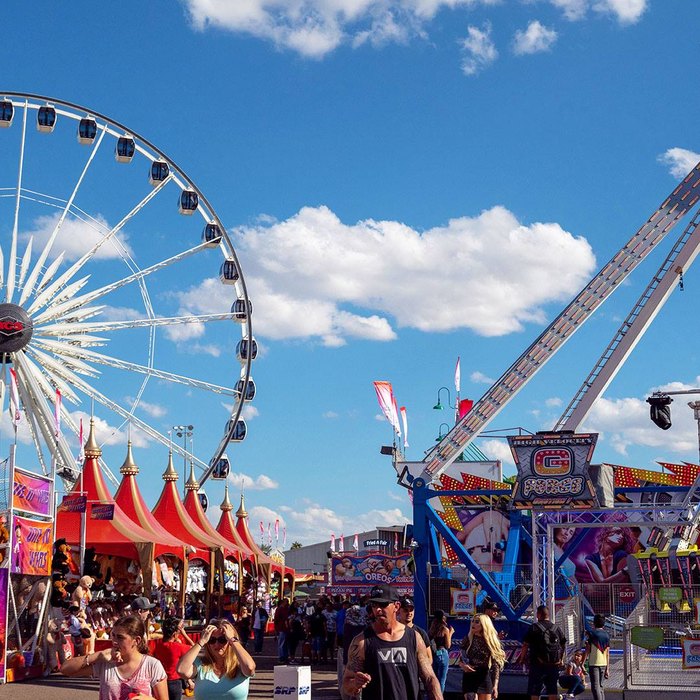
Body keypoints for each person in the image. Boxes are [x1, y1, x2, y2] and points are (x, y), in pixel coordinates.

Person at [342, 584, 443, 700]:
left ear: (396, 606)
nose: (378, 609)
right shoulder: (361, 642)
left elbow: (429, 677)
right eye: (374, 605)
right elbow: (346, 684)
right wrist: (355, 683)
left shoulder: (414, 637)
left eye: (383, 604)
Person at [60, 614, 168, 700]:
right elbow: (65, 670)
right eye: (113, 635)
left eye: (120, 637)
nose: (114, 641)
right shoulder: (106, 662)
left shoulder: (152, 665)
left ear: (137, 640)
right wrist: (97, 655)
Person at [178, 618, 256, 699]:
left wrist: (233, 640)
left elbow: (250, 668)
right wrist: (201, 641)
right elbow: (181, 670)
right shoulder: (200, 664)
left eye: (222, 639)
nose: (217, 644)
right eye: (212, 640)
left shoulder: (240, 663)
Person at [517, 605, 567, 700]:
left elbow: (525, 644)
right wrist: (561, 658)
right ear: (548, 615)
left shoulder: (534, 628)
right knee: (552, 690)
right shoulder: (556, 628)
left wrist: (522, 658)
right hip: (553, 665)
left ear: (538, 614)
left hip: (537, 665)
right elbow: (563, 644)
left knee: (535, 691)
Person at [459, 613, 505, 700]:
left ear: (484, 624)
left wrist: (495, 686)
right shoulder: (468, 639)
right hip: (470, 676)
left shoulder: (491, 641)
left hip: (484, 676)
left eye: (477, 622)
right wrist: (463, 666)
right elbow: (461, 659)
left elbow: (495, 666)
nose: (473, 624)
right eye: (472, 621)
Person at [154, 616, 196, 700]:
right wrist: (184, 634)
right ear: (175, 633)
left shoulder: (158, 646)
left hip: (160, 680)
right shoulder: (177, 647)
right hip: (174, 681)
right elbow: (194, 648)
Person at [585, 614, 610, 700]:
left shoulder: (591, 633)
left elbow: (587, 649)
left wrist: (582, 662)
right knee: (600, 687)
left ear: (594, 622)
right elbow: (607, 653)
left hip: (594, 663)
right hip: (603, 663)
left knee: (595, 687)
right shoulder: (607, 635)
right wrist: (607, 668)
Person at [428, 609, 452, 692]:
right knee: (442, 680)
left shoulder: (432, 629)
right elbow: (448, 645)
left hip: (434, 654)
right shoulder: (445, 629)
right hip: (443, 653)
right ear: (443, 618)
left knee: (434, 678)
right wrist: (451, 633)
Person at [273, 598, 291, 663]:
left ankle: (285, 656)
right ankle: (281, 657)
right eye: (286, 602)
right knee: (281, 644)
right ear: (283, 602)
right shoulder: (280, 609)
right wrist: (276, 629)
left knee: (285, 644)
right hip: (281, 628)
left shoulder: (287, 609)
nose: (288, 603)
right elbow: (276, 620)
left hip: (286, 629)